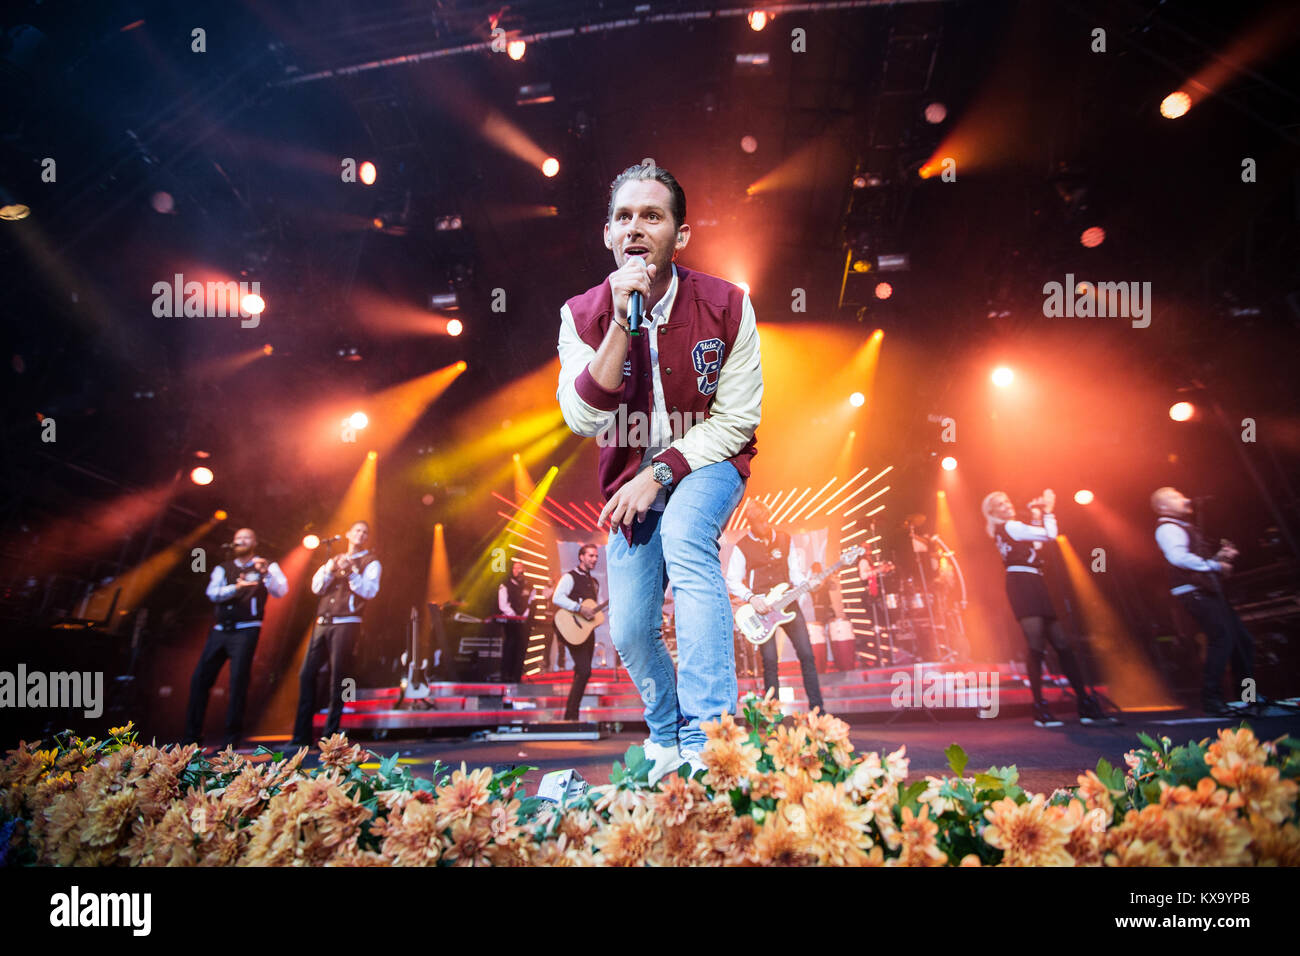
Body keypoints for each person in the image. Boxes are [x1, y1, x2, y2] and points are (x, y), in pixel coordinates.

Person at [556, 163, 761, 783]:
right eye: (624, 217)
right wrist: (621, 320)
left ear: (682, 233)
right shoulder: (581, 314)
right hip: (630, 479)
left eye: (652, 215)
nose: (636, 228)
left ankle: (710, 736)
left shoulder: (728, 304)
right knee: (629, 626)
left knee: (685, 539)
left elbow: (738, 420)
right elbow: (584, 418)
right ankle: (668, 735)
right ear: (608, 235)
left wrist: (661, 472)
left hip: (709, 460)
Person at [980, 489, 1107, 726]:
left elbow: (1036, 545)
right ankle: (1040, 707)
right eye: (999, 503)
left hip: (1033, 580)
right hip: (1022, 583)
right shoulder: (1011, 526)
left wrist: (1037, 515)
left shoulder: (1010, 529)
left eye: (1006, 500)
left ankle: (1084, 702)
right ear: (992, 511)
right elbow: (1050, 535)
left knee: (1062, 644)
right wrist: (1048, 511)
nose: (1006, 504)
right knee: (1036, 645)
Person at [1151, 486, 1253, 716]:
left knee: (1242, 641)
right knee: (1222, 640)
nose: (1184, 498)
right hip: (1193, 591)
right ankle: (1212, 699)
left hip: (1207, 589)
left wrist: (1220, 557)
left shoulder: (1185, 526)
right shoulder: (1167, 528)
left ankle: (1247, 696)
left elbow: (1196, 559)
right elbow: (1177, 557)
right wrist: (1215, 565)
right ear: (1163, 506)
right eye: (1175, 497)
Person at [184, 527, 288, 750]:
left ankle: (231, 740)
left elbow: (281, 590)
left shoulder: (266, 564)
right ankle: (191, 737)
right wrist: (235, 588)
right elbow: (212, 593)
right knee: (200, 679)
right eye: (237, 538)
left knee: (238, 682)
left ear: (254, 542)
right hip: (221, 629)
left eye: (246, 538)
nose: (241, 541)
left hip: (246, 629)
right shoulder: (224, 567)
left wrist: (266, 573)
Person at [287, 520, 381, 747]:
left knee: (339, 677)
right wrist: (330, 569)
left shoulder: (371, 562)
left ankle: (330, 736)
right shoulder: (333, 559)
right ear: (348, 534)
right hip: (322, 621)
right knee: (306, 674)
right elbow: (316, 588)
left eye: (364, 532)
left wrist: (351, 574)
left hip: (347, 622)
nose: (360, 534)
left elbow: (370, 591)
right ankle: (300, 736)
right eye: (357, 530)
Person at [727, 500, 825, 713]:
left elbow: (795, 574)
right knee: (770, 661)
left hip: (789, 604)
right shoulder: (742, 546)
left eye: (765, 521)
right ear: (750, 523)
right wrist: (752, 598)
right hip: (761, 609)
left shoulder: (784, 539)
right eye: (759, 523)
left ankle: (818, 710)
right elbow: (732, 580)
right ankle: (774, 714)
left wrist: (809, 583)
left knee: (807, 655)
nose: (764, 526)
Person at [549, 544, 602, 720]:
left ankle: (571, 715)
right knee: (585, 671)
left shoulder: (594, 582)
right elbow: (557, 597)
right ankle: (571, 715)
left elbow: (595, 607)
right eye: (590, 555)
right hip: (570, 627)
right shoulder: (569, 577)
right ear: (581, 557)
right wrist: (578, 608)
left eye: (596, 556)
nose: (594, 559)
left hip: (585, 630)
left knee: (582, 671)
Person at [497, 559, 537, 682]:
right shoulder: (505, 584)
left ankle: (517, 676)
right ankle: (505, 675)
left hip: (524, 622)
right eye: (515, 568)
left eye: (520, 568)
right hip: (510, 621)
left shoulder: (530, 585)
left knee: (521, 648)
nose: (517, 570)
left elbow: (532, 602)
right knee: (510, 646)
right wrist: (513, 615)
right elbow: (502, 604)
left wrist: (525, 615)